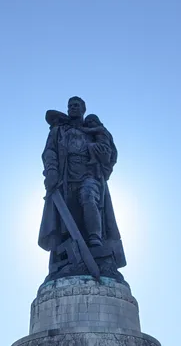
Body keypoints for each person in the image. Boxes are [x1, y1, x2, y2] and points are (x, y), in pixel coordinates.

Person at [37, 97, 125, 278]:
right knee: (68, 218)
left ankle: (95, 240)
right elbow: (50, 151)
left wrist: (101, 152)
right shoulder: (59, 131)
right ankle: (69, 256)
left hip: (89, 175)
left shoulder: (92, 130)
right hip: (65, 180)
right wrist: (51, 170)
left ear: (83, 109)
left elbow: (110, 154)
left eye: (76, 106)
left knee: (89, 197)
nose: (72, 108)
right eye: (70, 106)